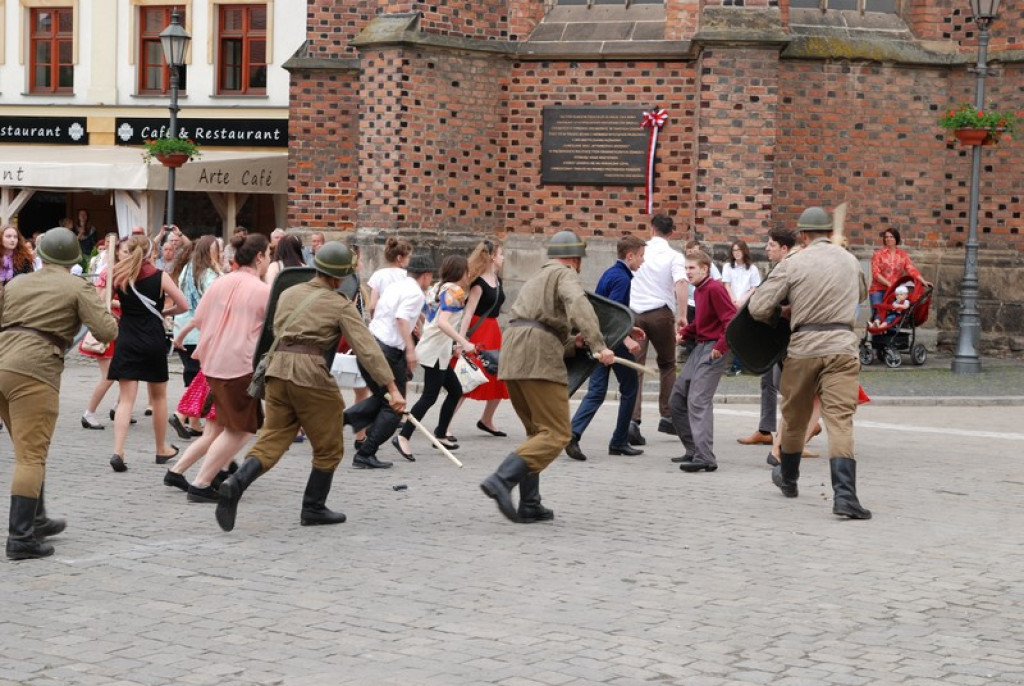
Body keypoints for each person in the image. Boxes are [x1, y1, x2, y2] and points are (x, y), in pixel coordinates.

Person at [213, 242, 407, 532]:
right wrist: (392, 388)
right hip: (310, 373)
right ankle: (313, 507)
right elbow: (367, 350)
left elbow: (275, 330)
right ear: (339, 277)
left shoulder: (288, 292)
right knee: (329, 446)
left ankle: (236, 482)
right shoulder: (340, 303)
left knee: (272, 439)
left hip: (277, 370)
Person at [481, 230, 614, 523]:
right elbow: (579, 304)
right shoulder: (565, 273)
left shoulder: (536, 278)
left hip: (514, 354)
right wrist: (598, 345)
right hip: (539, 359)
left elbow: (538, 325)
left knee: (537, 433)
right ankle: (502, 479)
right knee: (557, 433)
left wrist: (574, 343)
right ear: (576, 258)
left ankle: (530, 503)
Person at [748, 206, 872, 520]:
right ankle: (845, 496)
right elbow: (860, 295)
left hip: (803, 348)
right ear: (830, 233)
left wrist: (786, 312)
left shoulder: (793, 262)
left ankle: (788, 479)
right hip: (842, 347)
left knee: (795, 417)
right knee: (840, 422)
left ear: (803, 235)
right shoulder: (850, 260)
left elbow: (759, 307)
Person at [1, 227, 118, 559]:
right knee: (31, 455)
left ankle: (36, 518)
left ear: (41, 253)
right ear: (72, 258)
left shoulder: (17, 282)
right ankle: (21, 538)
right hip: (35, 371)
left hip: (3, 363)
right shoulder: (76, 284)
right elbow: (106, 330)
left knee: (29, 448)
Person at [167, 234, 272, 501]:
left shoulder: (222, 282)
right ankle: (202, 482)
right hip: (238, 364)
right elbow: (274, 330)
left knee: (219, 428)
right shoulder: (262, 290)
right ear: (259, 257)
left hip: (213, 362)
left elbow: (198, 318)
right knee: (241, 429)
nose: (269, 259)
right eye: (268, 253)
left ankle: (193, 474)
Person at [344, 254, 435, 469]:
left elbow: (386, 312)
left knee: (382, 397)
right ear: (426, 276)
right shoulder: (416, 293)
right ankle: (365, 453)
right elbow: (401, 318)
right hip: (387, 351)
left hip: (369, 344)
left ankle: (347, 418)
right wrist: (410, 350)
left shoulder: (398, 286)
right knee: (395, 406)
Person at [107, 236, 189, 472]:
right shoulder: (159, 275)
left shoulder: (119, 274)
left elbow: (105, 300)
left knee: (126, 399)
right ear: (150, 253)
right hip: (152, 338)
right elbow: (183, 305)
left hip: (127, 336)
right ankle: (161, 448)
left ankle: (118, 452)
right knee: (159, 397)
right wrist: (162, 312)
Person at [565, 235, 646, 461]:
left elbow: (607, 312)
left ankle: (573, 433)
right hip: (610, 342)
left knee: (596, 392)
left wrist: (630, 331)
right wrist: (626, 340)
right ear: (629, 256)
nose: (642, 261)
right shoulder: (623, 279)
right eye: (640, 256)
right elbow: (612, 317)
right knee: (630, 388)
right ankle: (619, 442)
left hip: (598, 340)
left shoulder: (610, 273)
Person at [392, 255, 475, 461]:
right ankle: (403, 436)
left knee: (455, 390)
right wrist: (463, 342)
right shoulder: (454, 292)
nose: (469, 274)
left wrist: (453, 343)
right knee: (429, 396)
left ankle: (440, 433)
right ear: (460, 272)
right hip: (436, 352)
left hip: (437, 349)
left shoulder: (438, 287)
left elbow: (435, 321)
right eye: (466, 270)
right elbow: (443, 323)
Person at [671, 250, 737, 473]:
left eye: (691, 268)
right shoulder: (699, 290)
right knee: (678, 397)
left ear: (704, 269)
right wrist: (685, 333)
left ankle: (706, 457)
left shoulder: (715, 289)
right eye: (686, 268)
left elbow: (731, 320)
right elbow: (701, 323)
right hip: (700, 347)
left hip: (714, 349)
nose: (687, 272)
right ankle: (693, 450)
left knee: (698, 400)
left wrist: (720, 347)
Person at [628, 214, 688, 442]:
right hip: (661, 313)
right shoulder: (674, 256)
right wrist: (681, 315)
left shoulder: (638, 251)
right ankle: (668, 415)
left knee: (636, 367)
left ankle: (632, 420)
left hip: (635, 312)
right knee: (667, 364)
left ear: (651, 229)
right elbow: (681, 283)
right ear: (671, 233)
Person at [737, 229, 795, 447]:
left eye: (771, 245)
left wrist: (780, 311)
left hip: (787, 336)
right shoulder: (778, 268)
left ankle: (806, 421)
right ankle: (765, 429)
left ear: (784, 248)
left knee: (785, 384)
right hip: (773, 334)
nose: (766, 248)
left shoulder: (791, 268)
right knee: (767, 380)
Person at [168, 235, 223, 440]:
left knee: (193, 376)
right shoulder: (209, 274)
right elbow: (212, 305)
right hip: (200, 330)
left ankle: (193, 421)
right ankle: (184, 415)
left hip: (184, 326)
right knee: (202, 378)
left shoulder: (186, 269)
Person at [456, 239, 509, 437]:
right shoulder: (478, 283)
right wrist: (461, 341)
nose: (503, 258)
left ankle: (487, 419)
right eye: (501, 254)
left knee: (498, 375)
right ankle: (445, 424)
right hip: (479, 332)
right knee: (467, 377)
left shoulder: (497, 280)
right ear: (492, 257)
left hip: (494, 331)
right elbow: (468, 313)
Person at [80, 238, 130, 430]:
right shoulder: (108, 272)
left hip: (125, 327)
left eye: (132, 252)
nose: (129, 255)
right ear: (117, 252)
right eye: (125, 251)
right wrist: (121, 303)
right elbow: (100, 301)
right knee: (109, 375)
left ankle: (120, 407)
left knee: (128, 371)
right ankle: (89, 413)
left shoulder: (130, 272)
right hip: (108, 326)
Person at [869, 228, 931, 310]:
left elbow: (911, 269)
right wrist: (889, 284)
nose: (888, 239)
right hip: (878, 290)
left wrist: (923, 281)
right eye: (886, 237)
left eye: (891, 237)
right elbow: (875, 274)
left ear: (896, 238)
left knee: (894, 315)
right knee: (878, 313)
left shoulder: (903, 255)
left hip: (895, 291)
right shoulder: (878, 254)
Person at [366, 237, 413, 316]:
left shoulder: (377, 275)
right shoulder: (408, 277)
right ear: (399, 258)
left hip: (382, 321)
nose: (409, 260)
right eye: (408, 257)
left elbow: (373, 306)